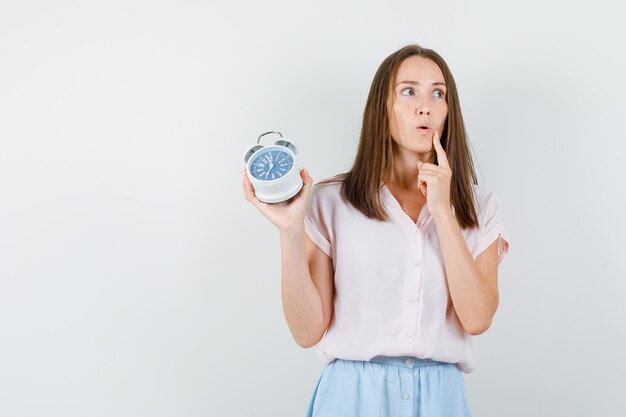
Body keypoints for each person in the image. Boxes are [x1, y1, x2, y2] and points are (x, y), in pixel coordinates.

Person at [242, 44, 510, 417]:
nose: (425, 106)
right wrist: (290, 232)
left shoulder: (480, 207)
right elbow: (307, 332)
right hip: (351, 396)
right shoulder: (331, 201)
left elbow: (478, 319)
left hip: (441, 399)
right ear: (382, 108)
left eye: (438, 93)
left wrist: (443, 213)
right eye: (408, 91)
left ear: (449, 111)